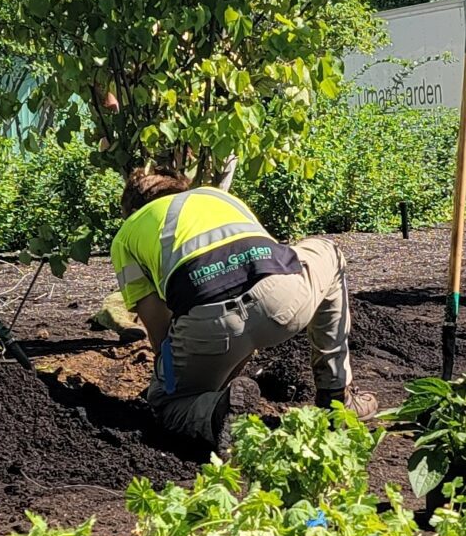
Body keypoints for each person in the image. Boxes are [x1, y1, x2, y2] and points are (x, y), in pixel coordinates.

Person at [108, 170, 375, 451]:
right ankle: (336, 396)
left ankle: (217, 411)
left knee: (166, 406)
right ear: (181, 189)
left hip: (211, 325)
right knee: (329, 252)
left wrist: (173, 382)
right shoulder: (215, 196)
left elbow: (159, 329)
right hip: (283, 298)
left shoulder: (127, 235)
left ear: (132, 210)